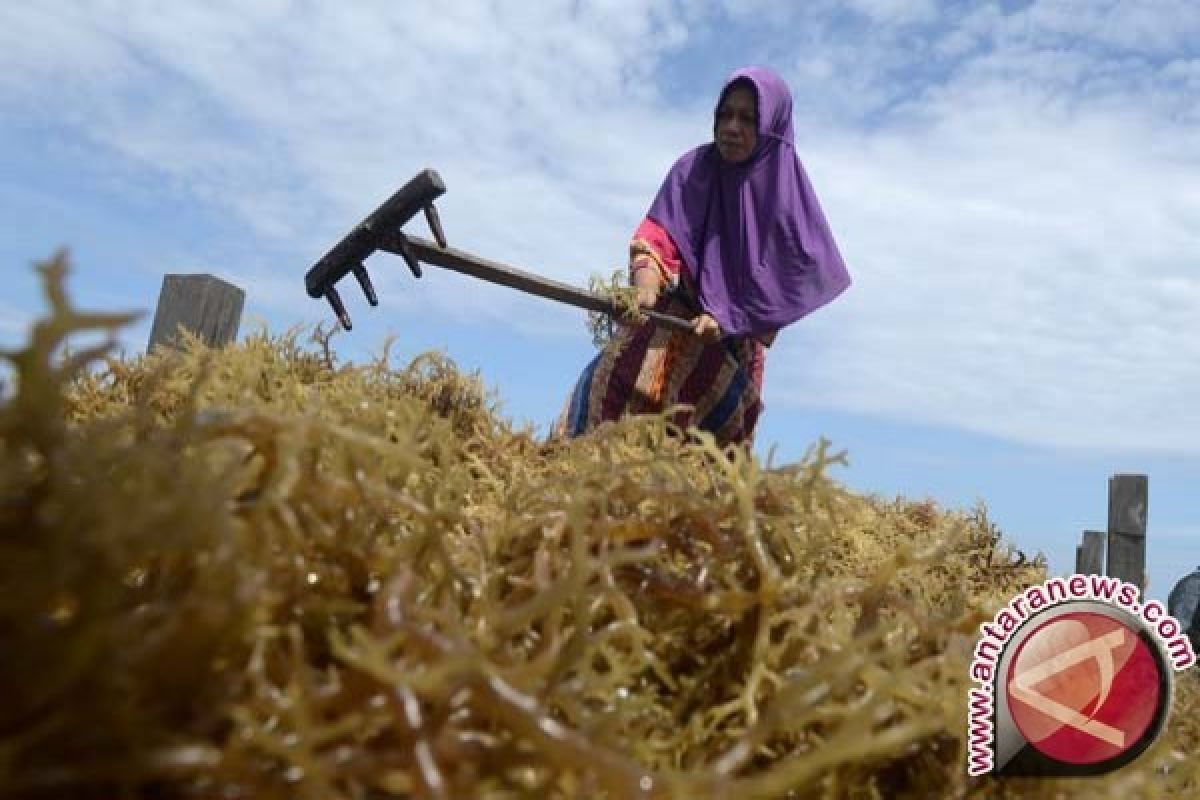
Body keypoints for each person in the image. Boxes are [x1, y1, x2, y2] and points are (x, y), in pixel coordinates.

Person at [554, 66, 851, 447]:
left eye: (747, 118)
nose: (732, 127)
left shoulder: (786, 199)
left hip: (732, 349)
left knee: (709, 460)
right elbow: (657, 234)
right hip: (672, 321)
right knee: (607, 396)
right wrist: (644, 288)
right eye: (725, 115)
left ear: (771, 126)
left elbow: (790, 284)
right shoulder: (692, 170)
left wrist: (729, 319)